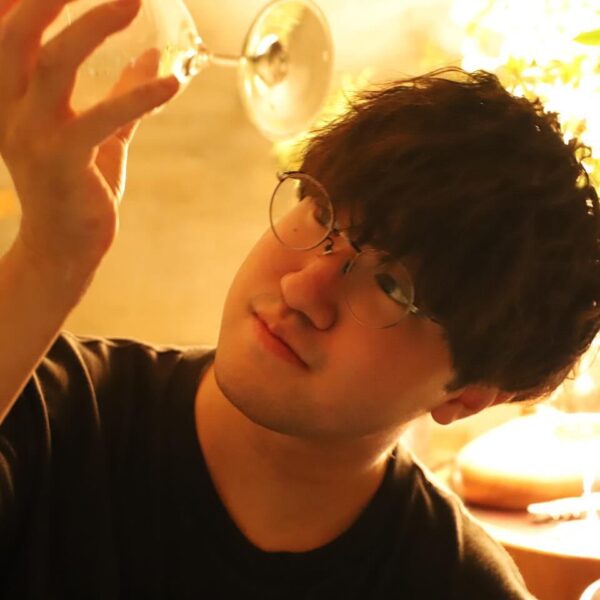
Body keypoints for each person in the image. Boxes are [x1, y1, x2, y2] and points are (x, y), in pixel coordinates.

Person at [0, 0, 598, 598]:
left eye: (391, 286)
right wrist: (50, 257)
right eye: (321, 214)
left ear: (467, 395)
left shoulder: (459, 585)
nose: (304, 288)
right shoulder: (45, 412)